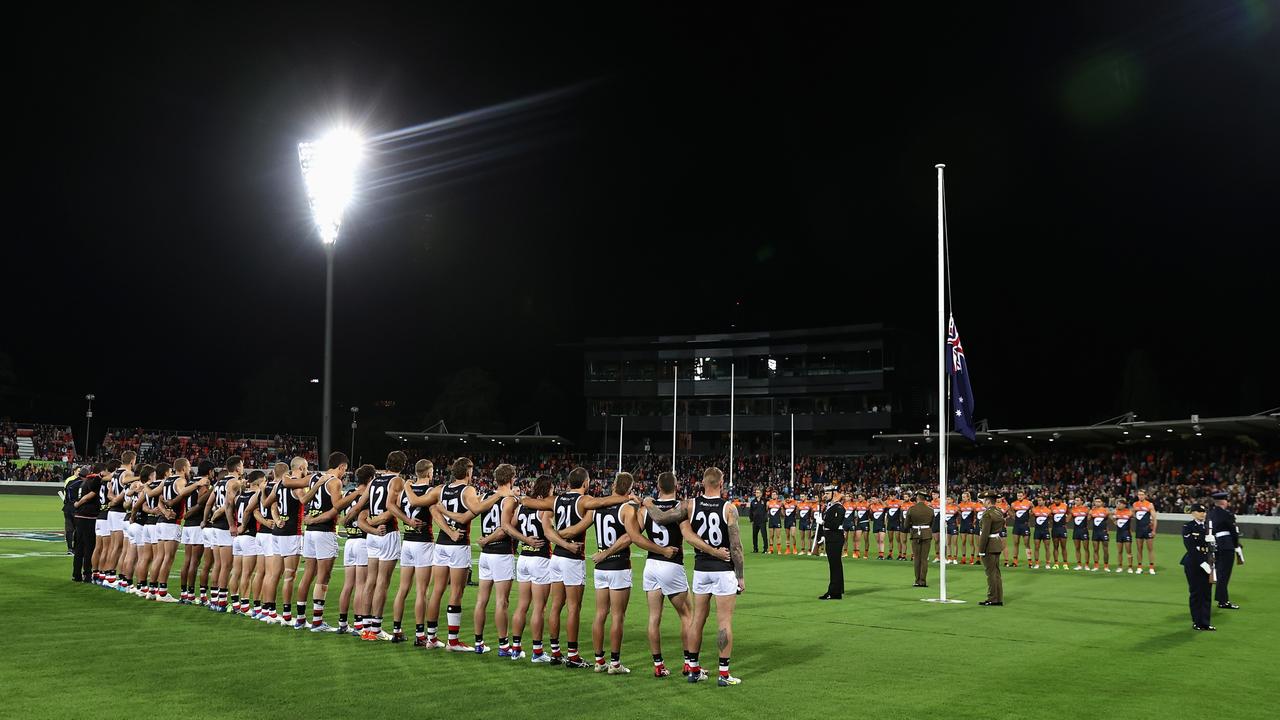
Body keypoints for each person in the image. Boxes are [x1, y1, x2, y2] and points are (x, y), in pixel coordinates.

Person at [516, 466, 631, 666]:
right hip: (572, 558)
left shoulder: (556, 500)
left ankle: (555, 652)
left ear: (569, 482)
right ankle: (573, 655)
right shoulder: (584, 500)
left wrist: (518, 498)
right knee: (573, 608)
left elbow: (528, 502)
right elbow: (603, 502)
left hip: (556, 558)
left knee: (555, 606)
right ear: (585, 483)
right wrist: (626, 498)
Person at [679, 467, 742, 685]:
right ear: (721, 483)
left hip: (701, 570)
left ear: (703, 483)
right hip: (723, 571)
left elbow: (663, 517)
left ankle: (693, 670)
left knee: (697, 620)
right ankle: (723, 674)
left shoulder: (690, 505)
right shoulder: (729, 508)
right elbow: (736, 547)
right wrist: (740, 576)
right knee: (724, 622)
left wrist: (647, 503)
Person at [628, 471, 693, 678]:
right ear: (676, 486)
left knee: (654, 617)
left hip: (651, 565)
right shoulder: (680, 508)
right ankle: (689, 664)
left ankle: (658, 665)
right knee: (687, 616)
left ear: (657, 486)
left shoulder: (646, 509)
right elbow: (688, 533)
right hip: (672, 564)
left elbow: (634, 535)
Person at [299, 452, 354, 631]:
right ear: (342, 466)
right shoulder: (335, 482)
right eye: (345, 469)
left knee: (308, 574)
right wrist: (355, 496)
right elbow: (337, 505)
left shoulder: (315, 477)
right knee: (323, 577)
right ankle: (317, 622)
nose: (345, 473)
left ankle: (300, 619)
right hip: (324, 531)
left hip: (311, 532)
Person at [589, 472, 636, 674]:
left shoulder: (599, 507)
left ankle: (599, 661)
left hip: (601, 568)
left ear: (614, 485)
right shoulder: (627, 509)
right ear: (630, 488)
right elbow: (628, 538)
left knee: (600, 614)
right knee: (618, 616)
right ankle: (614, 664)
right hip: (618, 565)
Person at [389, 458, 438, 643]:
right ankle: (420, 636)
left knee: (402, 589)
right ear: (429, 472)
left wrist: (406, 521)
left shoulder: (403, 491)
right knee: (421, 591)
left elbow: (391, 506)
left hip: (407, 541)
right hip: (423, 541)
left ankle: (396, 630)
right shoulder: (430, 491)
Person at [474, 464, 520, 657]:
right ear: (512, 479)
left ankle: (479, 643)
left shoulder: (485, 497)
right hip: (500, 554)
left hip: (485, 556)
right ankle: (503, 646)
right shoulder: (510, 500)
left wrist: (484, 540)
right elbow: (505, 529)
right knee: (502, 601)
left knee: (481, 600)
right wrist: (487, 539)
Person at [509, 475, 554, 663]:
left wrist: (525, 540)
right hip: (540, 559)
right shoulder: (544, 508)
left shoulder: (522, 506)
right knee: (539, 608)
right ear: (548, 489)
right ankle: (537, 652)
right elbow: (549, 532)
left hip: (524, 559)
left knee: (522, 605)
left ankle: (516, 649)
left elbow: (510, 527)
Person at [336, 464, 373, 635]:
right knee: (361, 585)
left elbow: (340, 515)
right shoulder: (368, 495)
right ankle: (359, 625)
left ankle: (342, 623)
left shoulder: (349, 494)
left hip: (350, 541)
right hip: (362, 542)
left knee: (348, 585)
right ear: (371, 479)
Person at [1180, 503, 1214, 631]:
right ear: (1193, 513)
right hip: (1194, 563)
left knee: (1206, 594)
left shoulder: (1208, 527)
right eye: (1200, 512)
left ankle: (1205, 622)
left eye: (1204, 512)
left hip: (1208, 561)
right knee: (1196, 593)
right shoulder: (1188, 527)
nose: (1203, 514)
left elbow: (1211, 548)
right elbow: (1190, 547)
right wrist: (1202, 562)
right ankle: (1197, 622)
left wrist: (1213, 542)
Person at [1207, 491, 1242, 610]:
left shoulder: (1210, 514)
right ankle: (1223, 601)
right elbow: (1234, 532)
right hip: (1226, 546)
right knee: (1224, 574)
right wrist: (1237, 545)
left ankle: (1215, 598)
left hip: (1214, 545)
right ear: (1223, 502)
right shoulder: (1227, 514)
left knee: (1216, 573)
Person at [70, 465, 103, 582]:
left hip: (79, 516)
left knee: (79, 547)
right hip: (88, 517)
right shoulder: (93, 482)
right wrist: (78, 503)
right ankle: (87, 574)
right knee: (89, 547)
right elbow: (90, 496)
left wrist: (77, 505)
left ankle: (76, 574)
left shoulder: (82, 483)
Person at [977, 491, 1005, 606]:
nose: (982, 502)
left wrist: (981, 550)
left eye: (983, 500)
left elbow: (985, 534)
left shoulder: (987, 514)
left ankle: (992, 598)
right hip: (997, 543)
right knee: (996, 572)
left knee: (991, 573)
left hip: (989, 545)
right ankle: (998, 598)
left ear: (988, 501)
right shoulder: (998, 512)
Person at [819, 487, 845, 599]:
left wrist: (823, 522)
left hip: (835, 537)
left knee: (835, 566)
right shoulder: (829, 507)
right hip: (830, 536)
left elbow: (835, 524)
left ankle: (834, 592)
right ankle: (838, 589)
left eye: (828, 493)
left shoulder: (839, 507)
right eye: (825, 493)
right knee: (835, 565)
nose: (826, 495)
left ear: (834, 494)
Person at [904, 491, 933, 587]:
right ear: (924, 499)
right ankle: (923, 581)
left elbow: (906, 525)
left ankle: (917, 580)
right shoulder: (930, 510)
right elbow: (932, 524)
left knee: (917, 558)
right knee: (924, 559)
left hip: (916, 534)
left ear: (917, 498)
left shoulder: (911, 509)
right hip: (926, 534)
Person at [1132, 490, 1158, 574]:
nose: (1140, 496)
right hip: (1139, 529)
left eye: (1142, 495)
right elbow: (1132, 515)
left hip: (1147, 529)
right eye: (1139, 495)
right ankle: (1139, 567)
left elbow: (1154, 518)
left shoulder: (1149, 505)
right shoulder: (1135, 504)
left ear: (1145, 495)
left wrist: (1154, 530)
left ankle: (1151, 567)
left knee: (1150, 549)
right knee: (1139, 549)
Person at [63, 466, 83, 555]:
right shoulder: (83, 483)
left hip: (67, 507)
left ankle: (70, 548)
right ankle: (75, 548)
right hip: (76, 508)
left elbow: (66, 493)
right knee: (77, 529)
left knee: (69, 529)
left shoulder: (70, 482)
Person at [1009, 491, 1032, 567]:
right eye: (1018, 495)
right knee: (1015, 543)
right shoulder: (1013, 504)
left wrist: (1029, 516)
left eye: (1020, 495)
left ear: (1024, 495)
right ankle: (1015, 561)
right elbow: (1010, 511)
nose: (1019, 496)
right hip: (1017, 525)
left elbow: (1034, 510)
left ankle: (1030, 561)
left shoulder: (1028, 503)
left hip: (1025, 525)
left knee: (1026, 543)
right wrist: (1013, 517)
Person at [1088, 498, 1111, 572]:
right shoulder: (1092, 511)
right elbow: (1088, 519)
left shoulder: (1105, 510)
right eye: (1096, 501)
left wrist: (1108, 530)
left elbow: (1108, 520)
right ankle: (1096, 566)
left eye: (1099, 501)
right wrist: (1090, 512)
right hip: (1095, 532)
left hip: (1103, 532)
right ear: (1094, 502)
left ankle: (1106, 566)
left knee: (1105, 550)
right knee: (1095, 550)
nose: (1097, 503)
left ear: (1102, 503)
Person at [1070, 497, 1091, 570]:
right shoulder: (1073, 509)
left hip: (1084, 530)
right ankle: (1079, 565)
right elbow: (1068, 519)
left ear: (1082, 501)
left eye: (1078, 500)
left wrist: (1089, 513)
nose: (1076, 501)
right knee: (1077, 548)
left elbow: (1089, 518)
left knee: (1086, 548)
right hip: (1076, 531)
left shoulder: (1086, 509)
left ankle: (1087, 565)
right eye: (1075, 500)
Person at [1113, 499, 1134, 573]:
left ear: (1124, 505)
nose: (1118, 505)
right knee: (1119, 551)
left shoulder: (1129, 512)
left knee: (1128, 551)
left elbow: (1134, 516)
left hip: (1127, 533)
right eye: (1117, 504)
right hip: (1119, 534)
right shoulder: (1116, 512)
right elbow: (1114, 519)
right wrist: (1114, 521)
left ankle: (1130, 567)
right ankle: (1120, 566)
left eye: (1120, 504)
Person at [1030, 498, 1050, 569]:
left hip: (1045, 531)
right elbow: (1030, 515)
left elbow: (1051, 518)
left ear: (1044, 501)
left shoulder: (1048, 510)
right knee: (1036, 547)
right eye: (1038, 500)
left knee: (1047, 547)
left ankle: (1047, 563)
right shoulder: (1034, 509)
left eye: (1040, 500)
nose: (1039, 502)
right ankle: (1037, 563)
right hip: (1037, 531)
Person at [1049, 497, 1069, 570]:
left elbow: (1070, 513)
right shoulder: (1051, 506)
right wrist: (1051, 521)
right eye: (1055, 500)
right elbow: (1049, 515)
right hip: (1055, 528)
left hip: (1062, 528)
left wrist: (1066, 521)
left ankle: (1065, 563)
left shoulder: (1065, 506)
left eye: (1057, 499)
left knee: (1063, 547)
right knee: (1055, 546)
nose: (1056, 501)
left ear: (1060, 500)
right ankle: (1056, 563)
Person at [884, 492, 903, 560]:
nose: (892, 497)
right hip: (890, 523)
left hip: (897, 523)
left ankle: (900, 555)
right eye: (891, 496)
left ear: (896, 496)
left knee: (898, 540)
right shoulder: (887, 502)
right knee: (890, 540)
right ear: (889, 496)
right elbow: (883, 504)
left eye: (893, 495)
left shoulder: (899, 502)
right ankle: (890, 554)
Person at [748, 488, 766, 553]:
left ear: (761, 494)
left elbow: (767, 509)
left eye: (758, 492)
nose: (757, 494)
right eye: (756, 492)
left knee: (764, 535)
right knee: (754, 535)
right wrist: (751, 519)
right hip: (755, 521)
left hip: (762, 521)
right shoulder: (753, 501)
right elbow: (751, 511)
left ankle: (765, 549)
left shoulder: (764, 501)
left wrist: (765, 517)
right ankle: (755, 549)